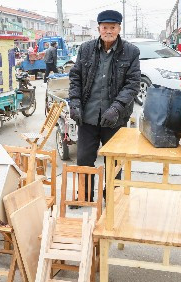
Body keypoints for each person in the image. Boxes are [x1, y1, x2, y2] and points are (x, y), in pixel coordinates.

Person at [68, 9, 141, 200]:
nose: (108, 31)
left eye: (113, 27)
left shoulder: (131, 52)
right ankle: (84, 196)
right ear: (99, 28)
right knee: (84, 159)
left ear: (119, 29)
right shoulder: (85, 49)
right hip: (88, 116)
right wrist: (74, 103)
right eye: (105, 27)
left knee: (114, 161)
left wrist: (116, 108)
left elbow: (132, 84)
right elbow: (75, 78)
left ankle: (112, 197)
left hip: (114, 118)